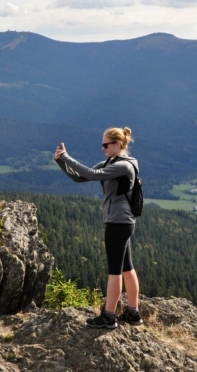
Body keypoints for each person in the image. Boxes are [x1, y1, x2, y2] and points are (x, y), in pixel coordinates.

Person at [54, 127, 142, 329]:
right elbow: (79, 177)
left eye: (105, 144)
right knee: (127, 267)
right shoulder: (112, 163)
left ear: (118, 145)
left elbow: (92, 174)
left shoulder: (123, 166)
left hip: (118, 223)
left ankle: (109, 317)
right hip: (122, 222)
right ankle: (133, 313)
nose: (102, 148)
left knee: (115, 271)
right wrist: (61, 161)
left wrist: (66, 157)